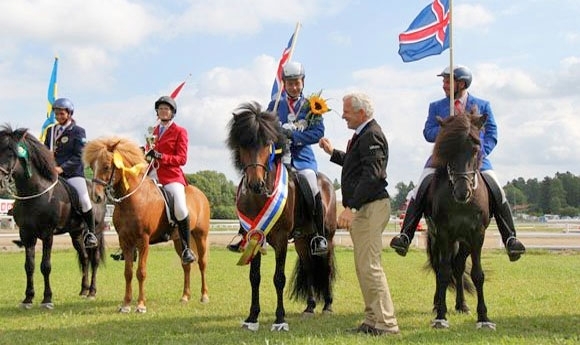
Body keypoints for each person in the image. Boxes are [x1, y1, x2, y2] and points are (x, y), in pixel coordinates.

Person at [389, 65, 526, 261]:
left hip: (474, 160)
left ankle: (511, 240)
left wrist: (478, 154)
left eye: (447, 81)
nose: (444, 85)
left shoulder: (483, 105)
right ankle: (405, 236)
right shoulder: (436, 106)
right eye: (444, 81)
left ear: (461, 83)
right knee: (420, 187)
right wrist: (450, 130)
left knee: (497, 190)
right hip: (442, 159)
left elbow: (492, 134)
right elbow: (428, 132)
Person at [319, 92, 400, 336]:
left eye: (347, 111)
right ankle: (373, 320)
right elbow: (356, 166)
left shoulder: (372, 135)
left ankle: (386, 323)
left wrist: (351, 207)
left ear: (361, 113)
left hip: (370, 208)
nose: (342, 115)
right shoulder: (362, 134)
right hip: (366, 206)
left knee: (370, 266)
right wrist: (333, 153)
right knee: (364, 266)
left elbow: (372, 175)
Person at [227, 61, 328, 256]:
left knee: (311, 184)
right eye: (290, 83)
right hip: (277, 158)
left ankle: (318, 234)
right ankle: (245, 232)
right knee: (249, 182)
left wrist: (293, 136)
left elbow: (318, 133)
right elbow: (262, 133)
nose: (294, 87)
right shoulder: (274, 106)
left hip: (302, 158)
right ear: (284, 84)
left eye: (297, 83)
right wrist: (277, 134)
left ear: (303, 82)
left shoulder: (311, 106)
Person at [144, 95, 196, 264]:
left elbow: (182, 159)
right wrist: (146, 154)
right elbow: (148, 151)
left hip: (171, 175)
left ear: (172, 112)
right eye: (160, 109)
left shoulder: (180, 131)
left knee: (180, 208)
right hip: (152, 173)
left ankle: (186, 248)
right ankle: (127, 245)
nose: (163, 111)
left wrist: (160, 156)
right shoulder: (153, 131)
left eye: (166, 109)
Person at [44, 98, 98, 248]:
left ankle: (91, 233)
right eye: (56, 114)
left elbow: (79, 155)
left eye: (61, 113)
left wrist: (62, 168)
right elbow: (45, 151)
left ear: (69, 114)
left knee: (84, 199)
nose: (58, 116)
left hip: (72, 173)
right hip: (53, 173)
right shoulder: (51, 131)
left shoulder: (78, 131)